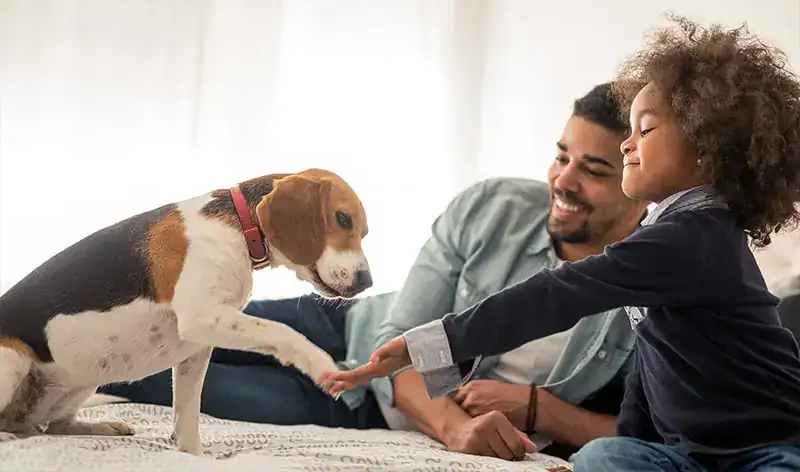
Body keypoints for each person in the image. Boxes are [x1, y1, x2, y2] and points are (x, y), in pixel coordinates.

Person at [323, 16, 800, 471]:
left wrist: (434, 343)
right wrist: (626, 443)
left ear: (706, 146)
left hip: (766, 446)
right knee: (601, 459)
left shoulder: (694, 238)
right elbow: (651, 373)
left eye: (645, 130)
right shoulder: (667, 236)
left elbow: (556, 294)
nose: (626, 145)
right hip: (694, 456)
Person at [100, 81, 650, 459]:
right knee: (151, 321)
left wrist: (544, 411)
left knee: (138, 373)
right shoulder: (493, 208)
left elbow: (660, 432)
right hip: (346, 327)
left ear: (637, 180)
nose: (563, 181)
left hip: (357, 406)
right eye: (561, 156)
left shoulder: (659, 288)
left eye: (593, 170)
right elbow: (401, 338)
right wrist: (457, 430)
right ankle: (18, 325)